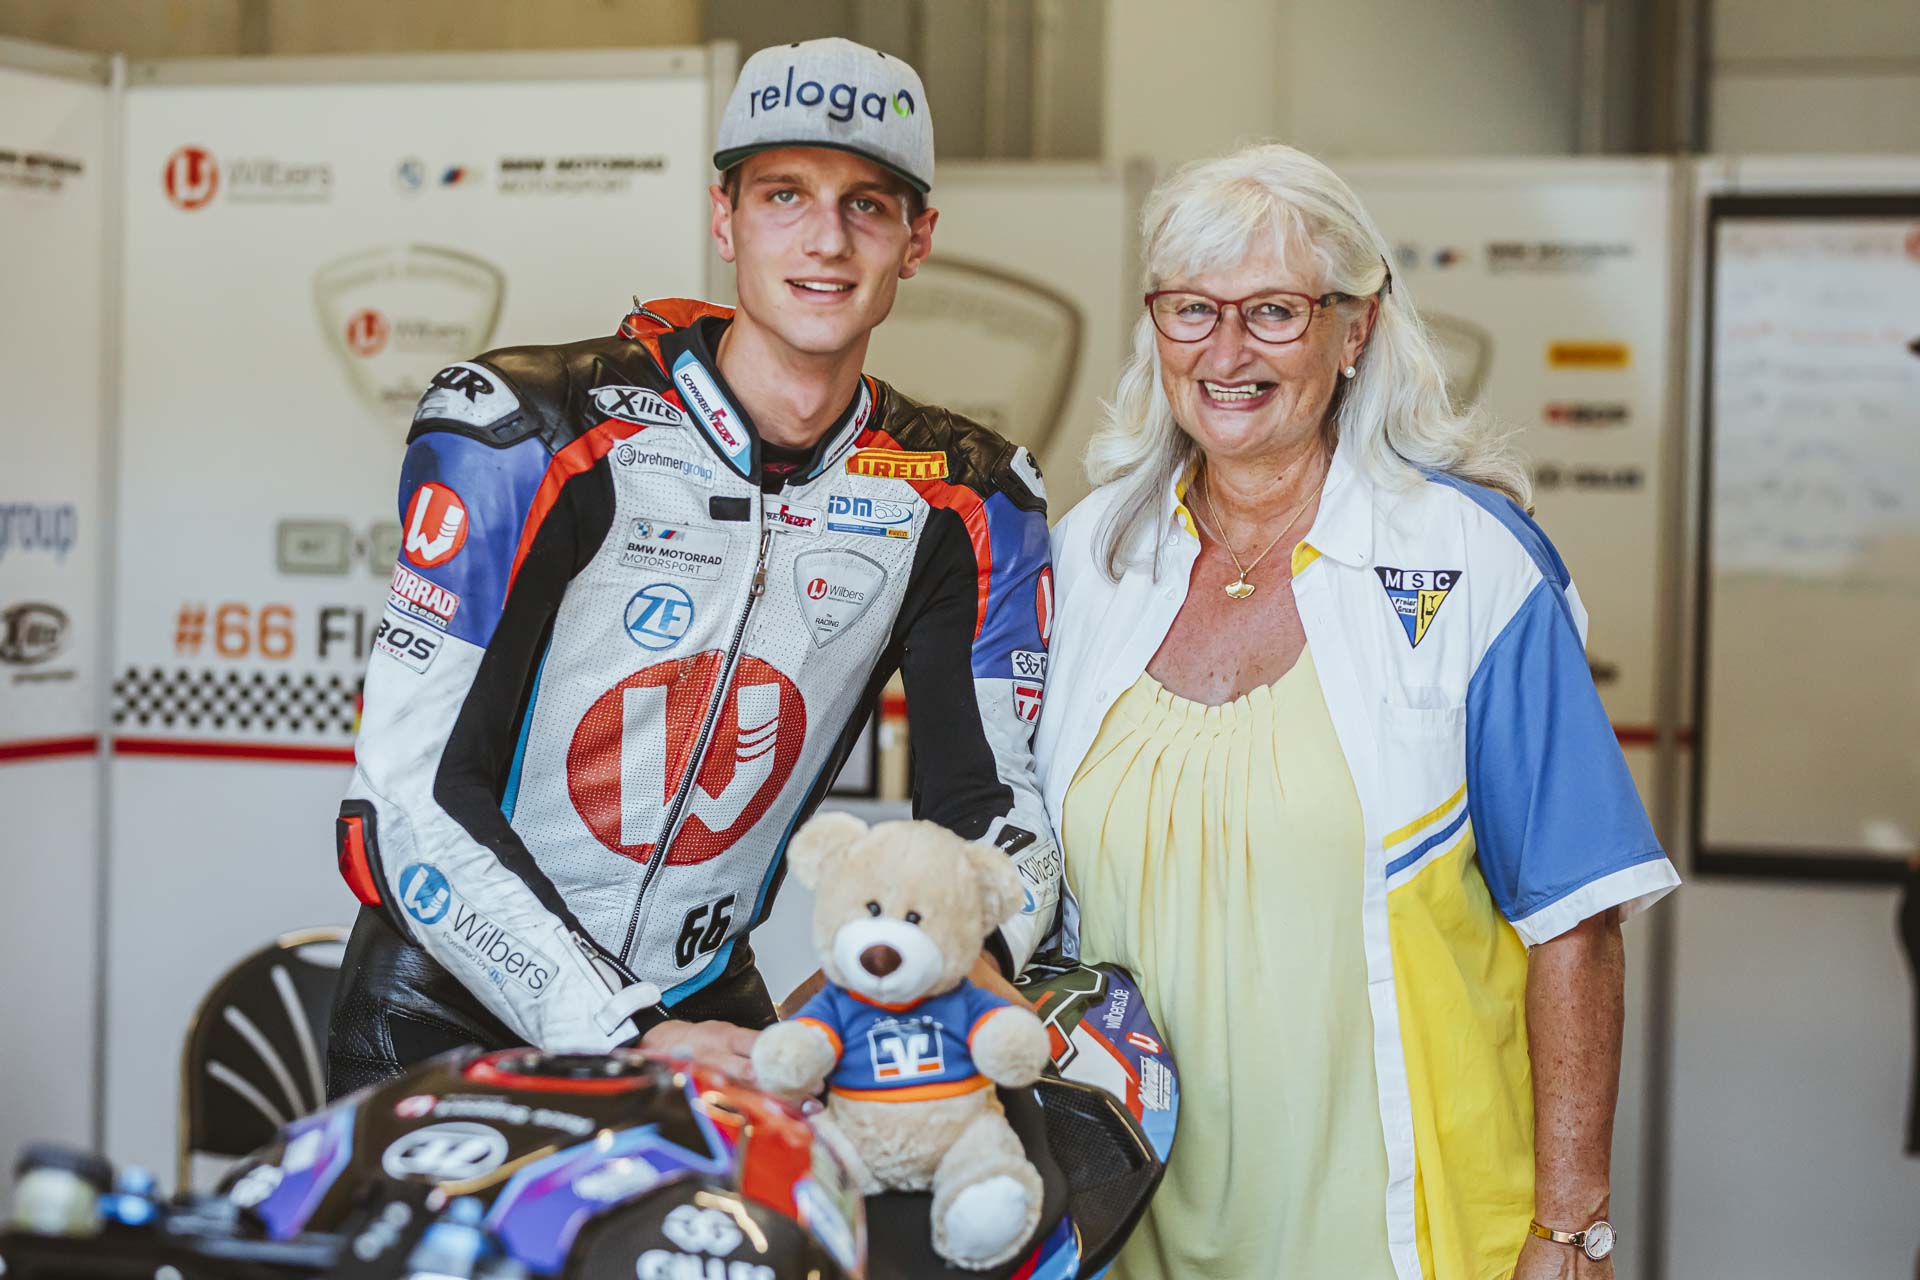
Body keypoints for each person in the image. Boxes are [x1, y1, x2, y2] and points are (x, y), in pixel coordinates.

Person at [326, 37, 1060, 1097]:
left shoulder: (967, 494)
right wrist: (619, 1027)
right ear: (725, 219)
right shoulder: (530, 428)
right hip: (445, 1012)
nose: (826, 239)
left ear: (918, 239)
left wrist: (953, 960)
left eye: (867, 204)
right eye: (783, 195)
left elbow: (994, 805)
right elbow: (405, 802)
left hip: (710, 1010)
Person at [1033, 144, 1681, 1280]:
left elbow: (1576, 921)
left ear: (1355, 328)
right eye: (1192, 309)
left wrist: (1570, 1226)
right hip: (1125, 1219)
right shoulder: (1092, 557)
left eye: (1274, 312)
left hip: (1398, 1224)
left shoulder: (1471, 562)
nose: (1226, 352)